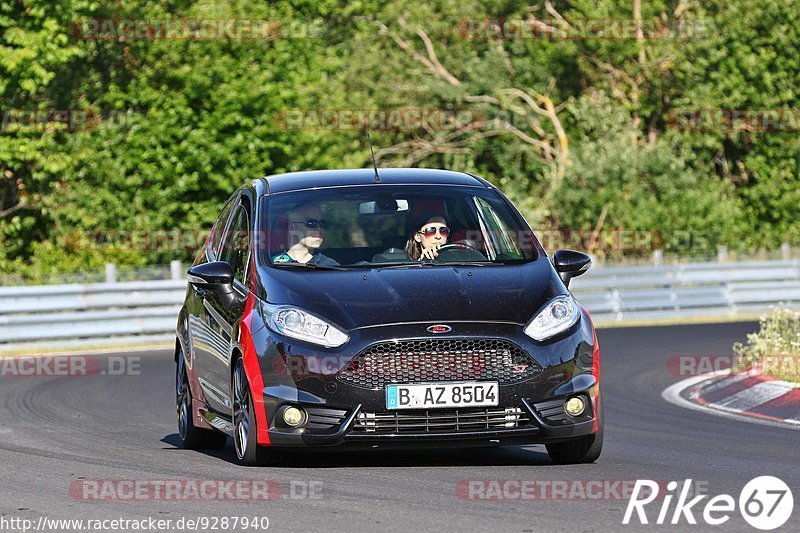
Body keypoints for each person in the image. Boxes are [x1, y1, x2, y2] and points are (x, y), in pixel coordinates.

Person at [272, 204, 340, 266]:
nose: (319, 228)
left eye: (322, 224)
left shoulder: (332, 267)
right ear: (292, 228)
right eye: (311, 223)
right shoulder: (272, 266)